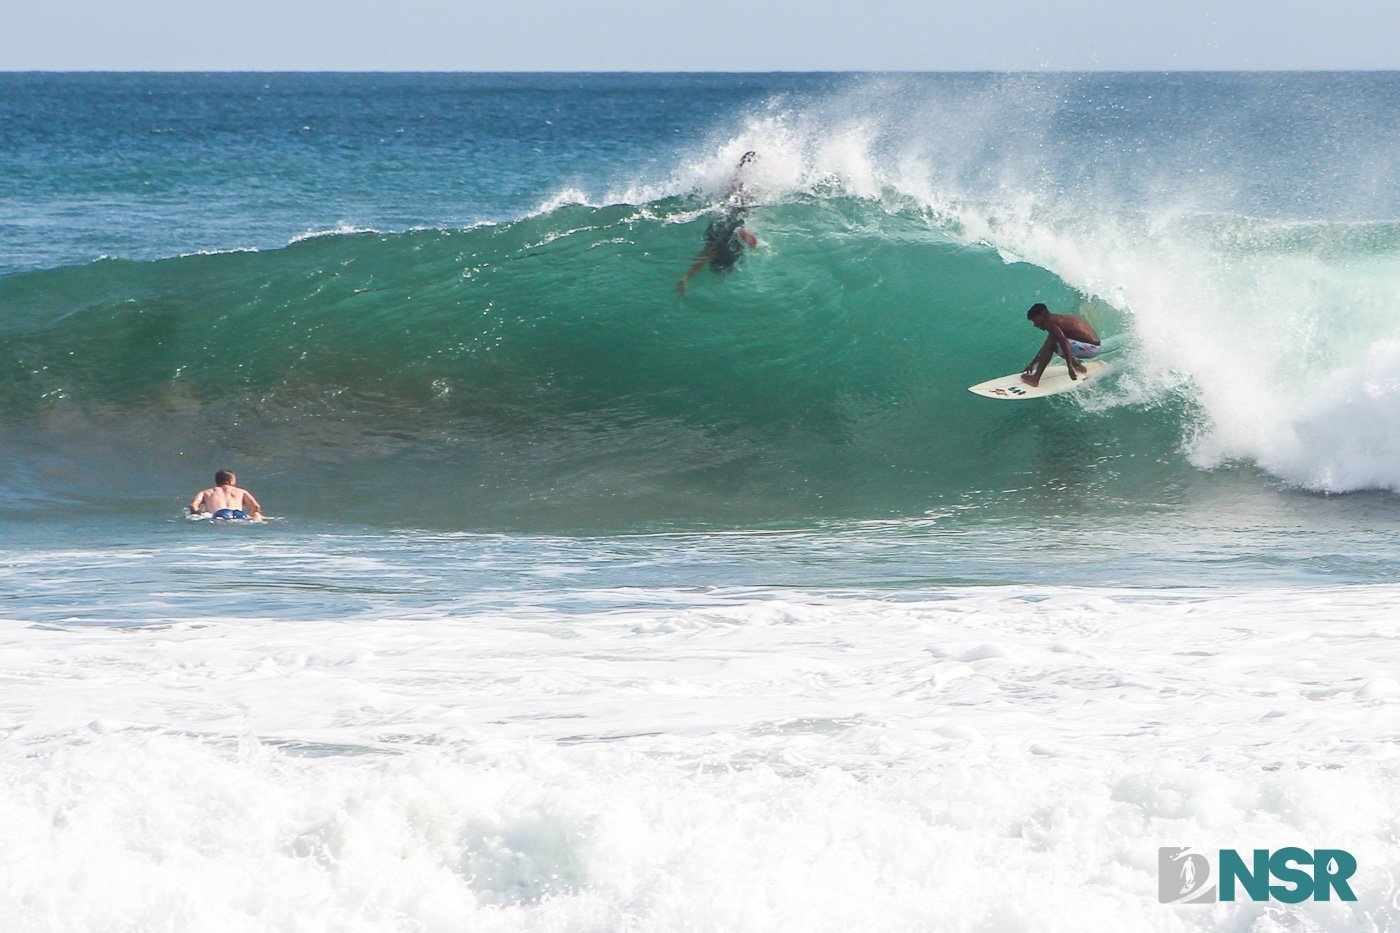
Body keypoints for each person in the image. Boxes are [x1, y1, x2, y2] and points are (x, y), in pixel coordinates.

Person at [676, 152, 761, 296]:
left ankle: (745, 167)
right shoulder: (714, 249)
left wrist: (748, 237)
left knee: (741, 195)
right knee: (737, 194)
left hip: (731, 218)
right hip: (726, 219)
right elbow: (699, 260)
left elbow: (742, 235)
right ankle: (744, 168)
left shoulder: (719, 247)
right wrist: (686, 278)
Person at [1020, 303, 1101, 387]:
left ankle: (1035, 379)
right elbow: (1045, 349)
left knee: (1053, 343)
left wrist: (1070, 367)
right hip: (1093, 347)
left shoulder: (1050, 322)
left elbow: (1063, 342)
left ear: (1043, 315)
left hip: (1090, 348)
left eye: (1035, 321)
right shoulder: (1056, 319)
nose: (1035, 325)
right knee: (1052, 342)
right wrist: (1031, 364)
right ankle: (1078, 366)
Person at [189, 469, 263, 521]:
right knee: (257, 515)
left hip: (220, 514)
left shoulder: (206, 492)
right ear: (231, 481)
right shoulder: (241, 491)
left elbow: (193, 505)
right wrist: (249, 517)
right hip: (239, 514)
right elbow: (256, 506)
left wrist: (198, 515)